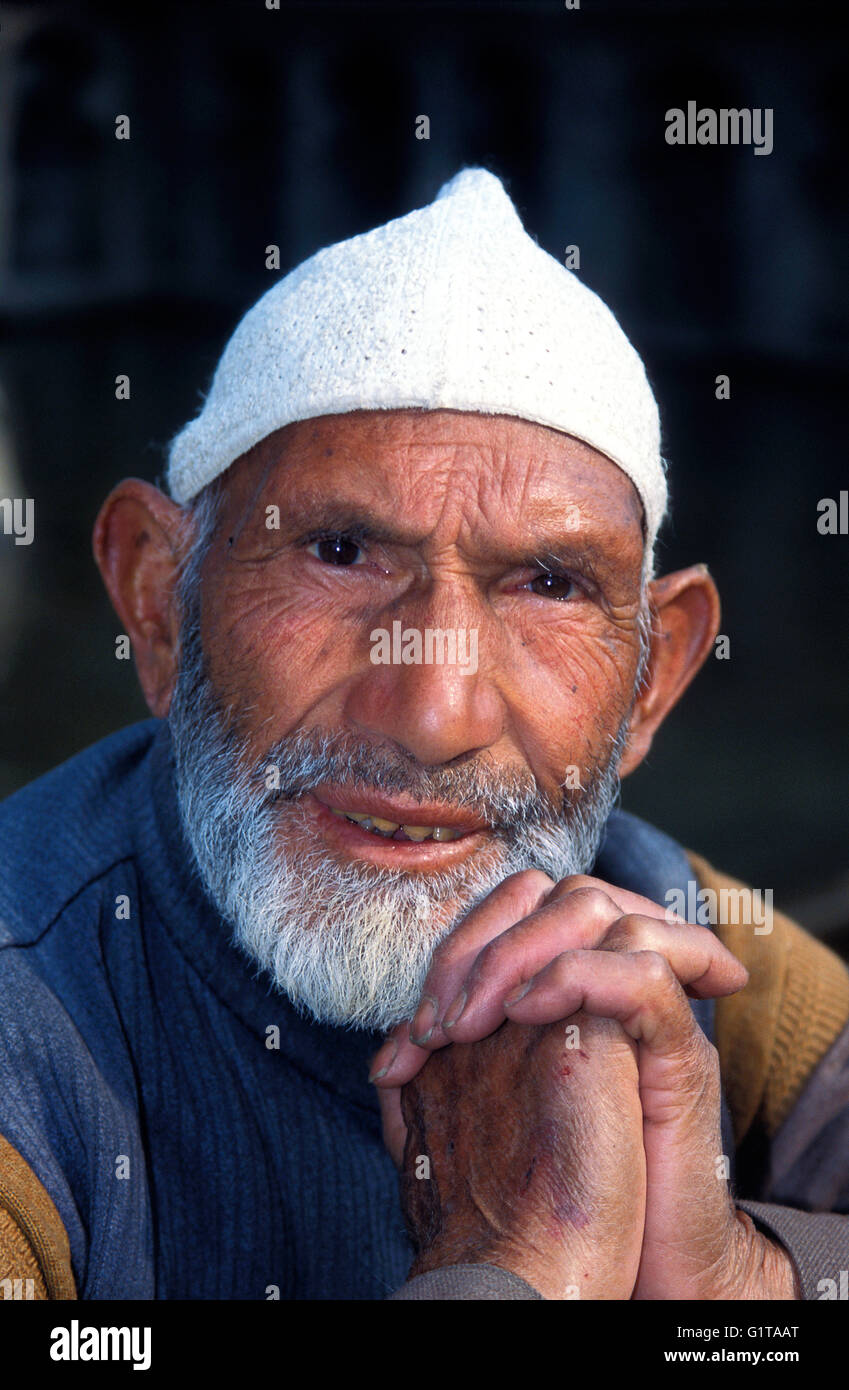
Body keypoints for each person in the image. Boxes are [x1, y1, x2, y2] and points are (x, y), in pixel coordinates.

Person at [1, 169, 846, 1301]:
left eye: (548, 583)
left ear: (653, 679)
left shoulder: (702, 964)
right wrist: (514, 1267)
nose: (437, 713)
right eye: (339, 552)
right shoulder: (30, 1024)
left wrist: (747, 1285)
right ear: (159, 603)